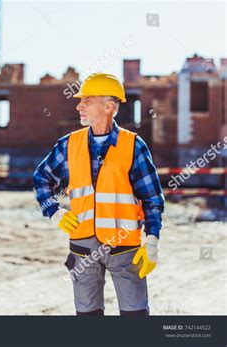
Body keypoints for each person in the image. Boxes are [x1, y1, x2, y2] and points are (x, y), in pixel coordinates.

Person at [33, 73, 164, 315]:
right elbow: (41, 179)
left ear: (108, 106)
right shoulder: (68, 144)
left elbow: (152, 198)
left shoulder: (133, 145)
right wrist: (54, 213)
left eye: (87, 100)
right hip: (82, 248)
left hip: (124, 248)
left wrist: (153, 240)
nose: (78, 105)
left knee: (135, 314)